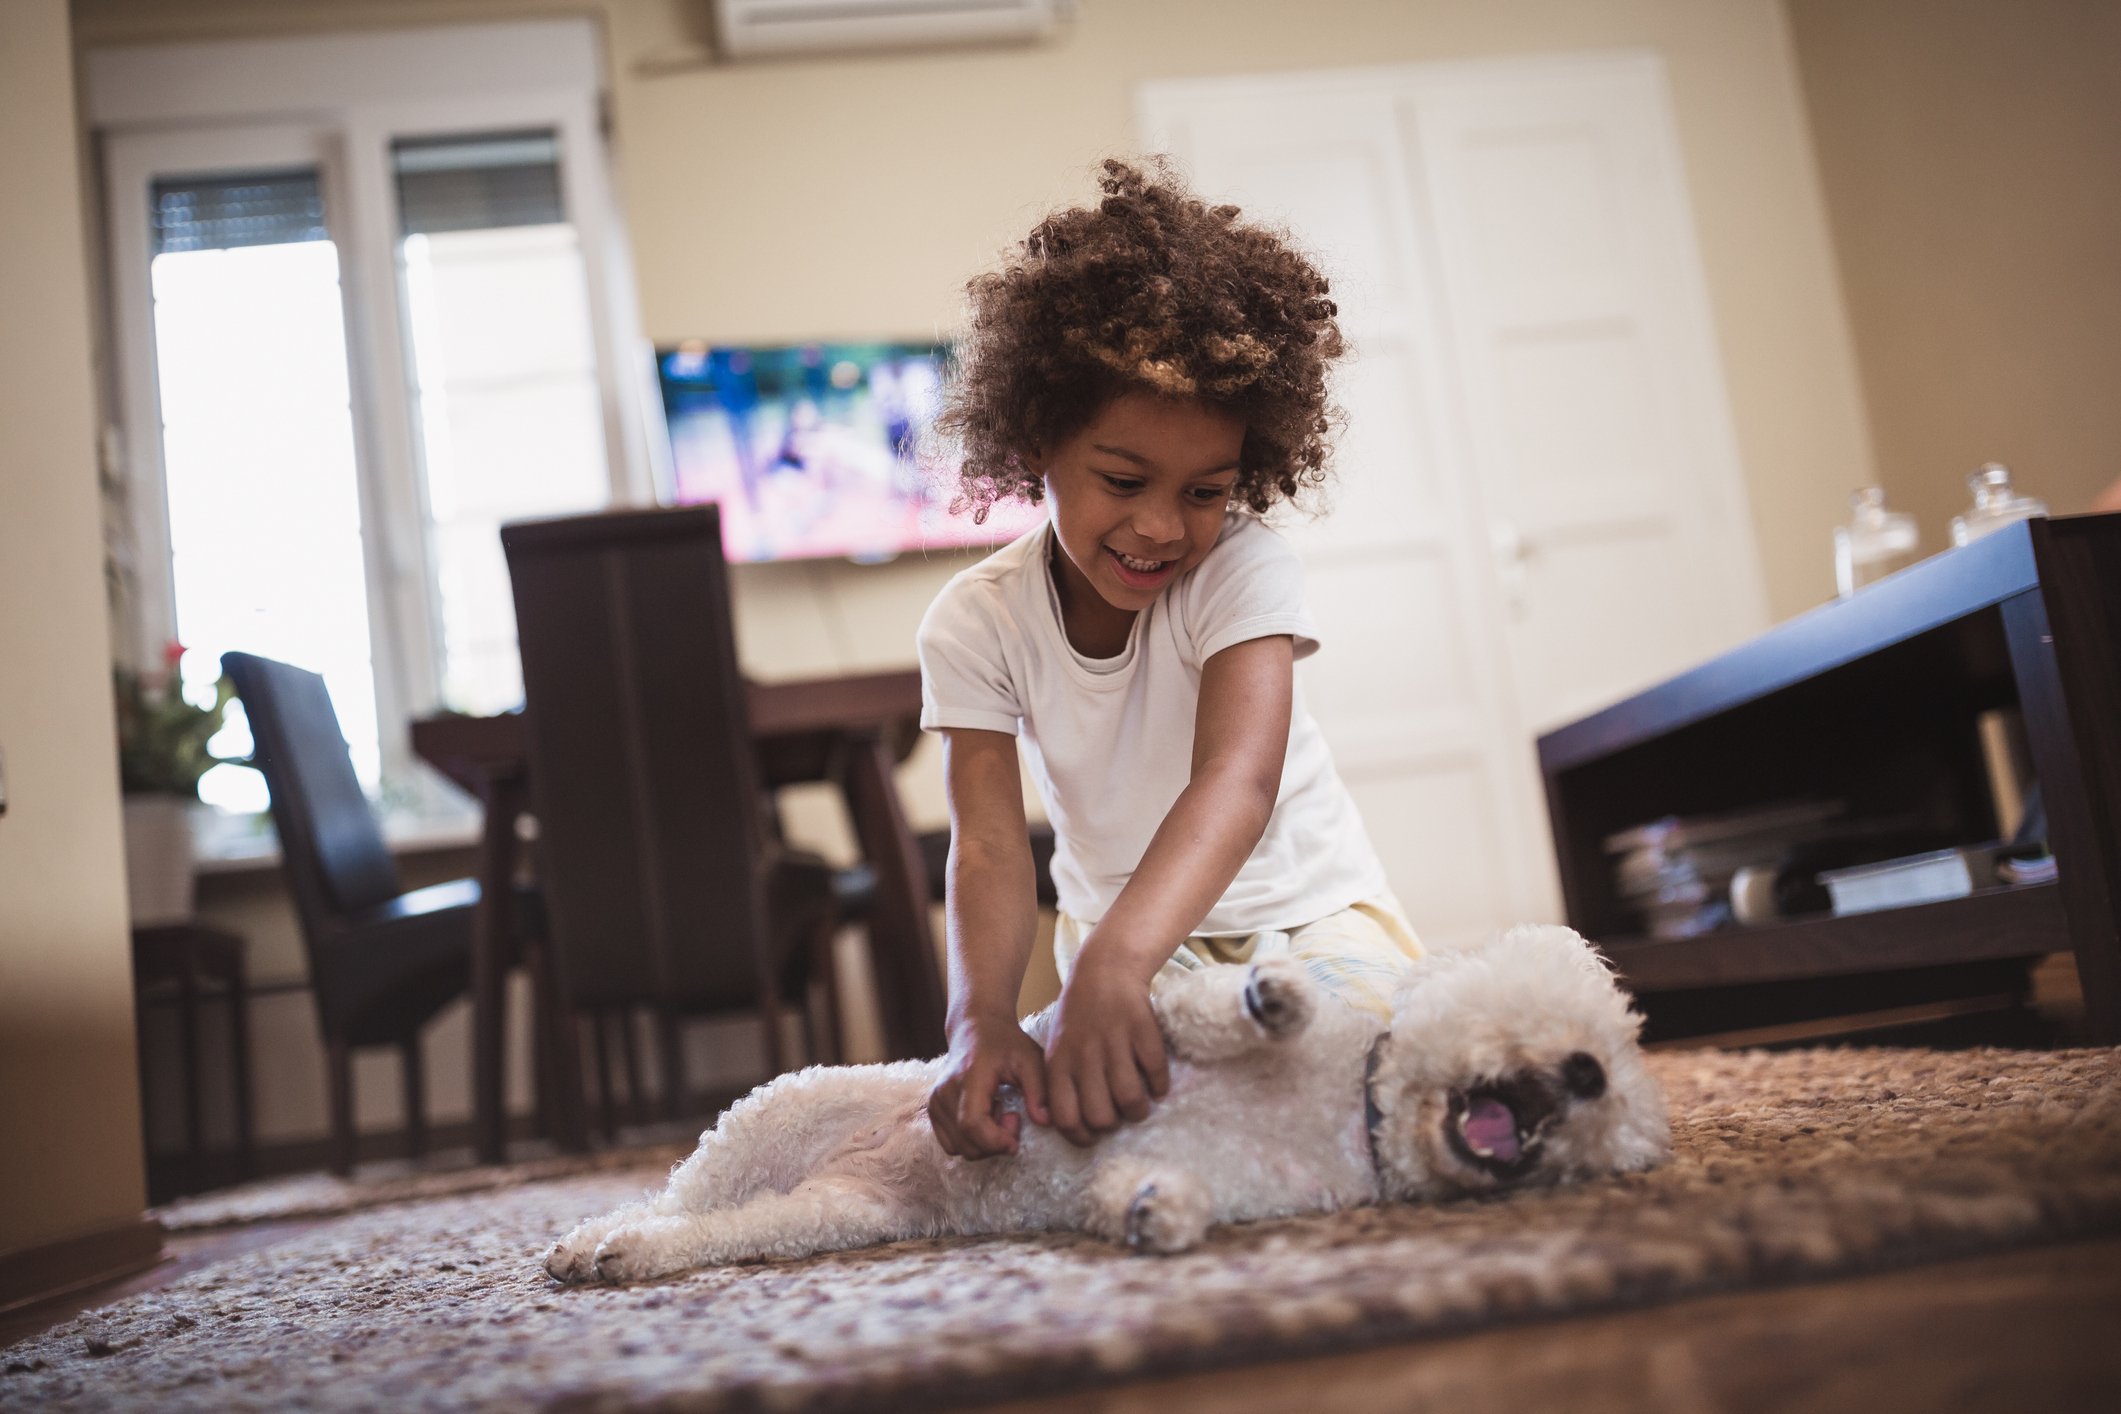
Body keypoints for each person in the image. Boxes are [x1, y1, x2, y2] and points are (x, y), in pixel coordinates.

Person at [915, 159, 1424, 1162]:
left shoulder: (1243, 570)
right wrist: (980, 1019)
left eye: (1203, 491)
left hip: (1306, 922)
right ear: (1035, 444)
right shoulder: (973, 621)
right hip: (1135, 953)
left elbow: (1239, 779)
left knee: (1371, 1086)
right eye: (1122, 478)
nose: (1159, 527)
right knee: (1093, 1126)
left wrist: (1112, 963)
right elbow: (986, 847)